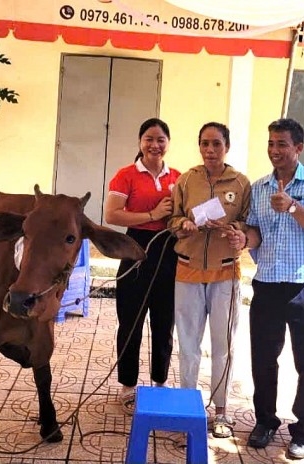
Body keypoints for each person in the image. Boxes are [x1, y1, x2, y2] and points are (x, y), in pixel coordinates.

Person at [227, 118, 304, 459]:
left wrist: (291, 206)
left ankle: (303, 431)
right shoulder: (259, 187)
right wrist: (245, 238)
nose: (275, 150)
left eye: (282, 144)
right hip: (268, 284)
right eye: (271, 143)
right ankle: (265, 420)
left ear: (299, 148)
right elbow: (257, 232)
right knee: (263, 358)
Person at [167, 122, 250, 439]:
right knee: (188, 344)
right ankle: (188, 407)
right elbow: (173, 219)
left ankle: (222, 412)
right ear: (198, 146)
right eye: (204, 144)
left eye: (216, 144)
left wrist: (235, 231)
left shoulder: (240, 183)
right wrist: (184, 223)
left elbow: (247, 222)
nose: (210, 150)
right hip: (187, 270)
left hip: (225, 272)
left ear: (226, 146)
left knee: (223, 345)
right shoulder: (186, 180)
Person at [104, 118, 181, 415]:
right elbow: (112, 214)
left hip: (168, 253)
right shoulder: (126, 175)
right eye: (149, 138)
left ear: (168, 143)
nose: (155, 145)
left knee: (164, 325)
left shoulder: (178, 176)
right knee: (131, 323)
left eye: (161, 139)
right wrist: (151, 213)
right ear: (140, 142)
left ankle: (160, 383)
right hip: (134, 250)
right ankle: (128, 387)